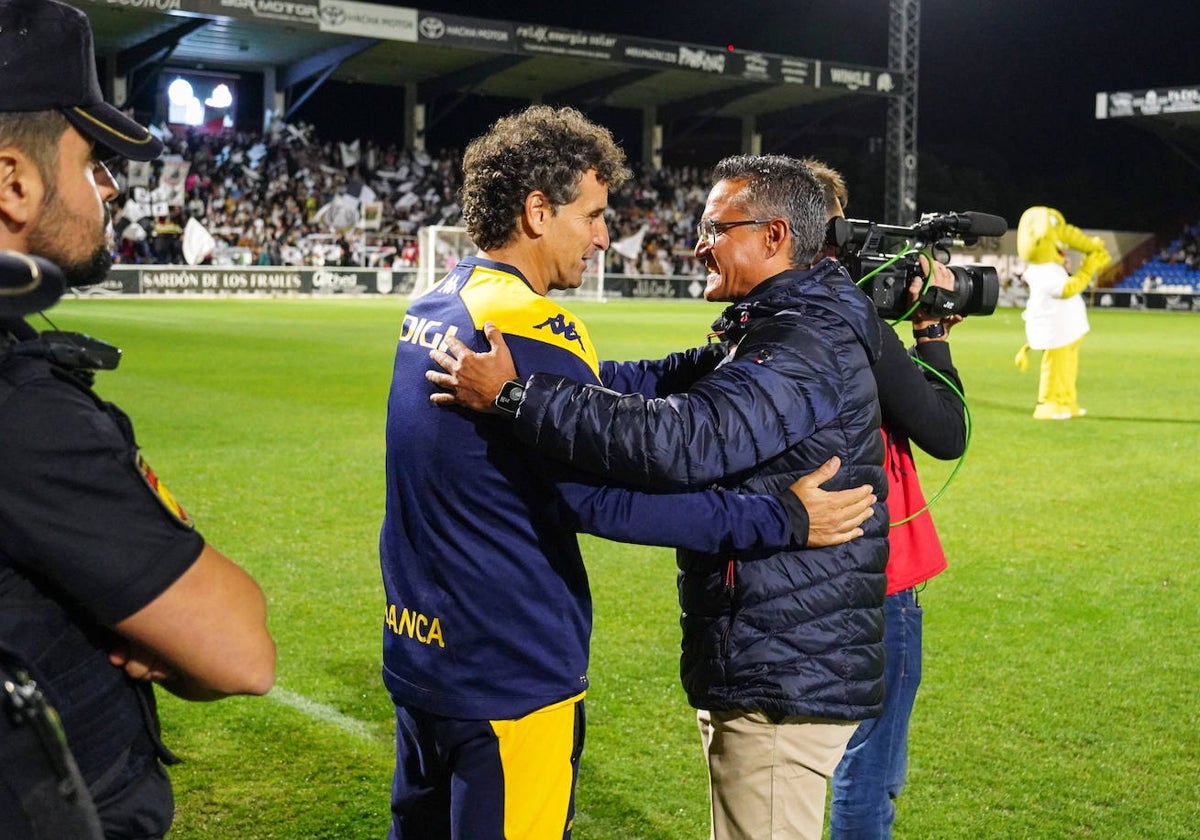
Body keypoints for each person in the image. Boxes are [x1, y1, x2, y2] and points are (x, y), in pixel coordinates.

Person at [380, 111, 877, 840]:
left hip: (421, 654)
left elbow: (602, 387)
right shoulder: (530, 326)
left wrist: (706, 362)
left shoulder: (433, 308)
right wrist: (784, 518)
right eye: (594, 215)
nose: (605, 236)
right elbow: (609, 497)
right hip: (509, 669)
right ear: (537, 212)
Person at [0, 1, 276, 837]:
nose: (112, 186)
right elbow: (239, 650)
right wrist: (155, 639)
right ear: (13, 181)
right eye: (93, 161)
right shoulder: (22, 411)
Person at [800, 159, 967, 839]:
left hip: (796, 580)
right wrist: (933, 335)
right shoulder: (854, 328)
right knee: (868, 774)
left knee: (797, 771)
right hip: (879, 580)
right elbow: (945, 431)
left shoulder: (754, 322)